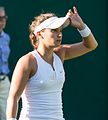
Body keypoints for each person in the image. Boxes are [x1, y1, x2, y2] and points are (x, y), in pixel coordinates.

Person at [6, 6, 98, 120]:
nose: (59, 34)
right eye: (54, 30)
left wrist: (81, 26)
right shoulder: (28, 61)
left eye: (60, 30)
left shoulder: (61, 53)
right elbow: (13, 98)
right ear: (40, 34)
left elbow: (91, 45)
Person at [0, 6, 11, 120]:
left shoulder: (6, 38)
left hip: (3, 82)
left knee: (6, 116)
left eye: (4, 18)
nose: (2, 21)